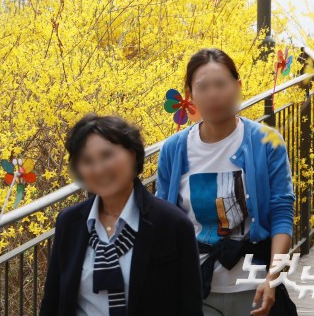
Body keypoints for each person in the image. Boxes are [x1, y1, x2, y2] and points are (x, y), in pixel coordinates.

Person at [156, 48, 297, 316]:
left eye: (221, 84)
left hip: (254, 287)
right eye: (203, 87)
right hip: (195, 288)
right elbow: (165, 221)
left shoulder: (266, 142)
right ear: (191, 95)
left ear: (238, 87)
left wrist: (273, 277)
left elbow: (281, 213)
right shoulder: (174, 149)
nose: (213, 94)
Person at [39, 114, 204, 316]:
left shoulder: (171, 224)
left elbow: (189, 306)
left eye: (107, 155)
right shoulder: (70, 222)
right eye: (87, 161)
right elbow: (53, 300)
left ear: (133, 154)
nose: (99, 169)